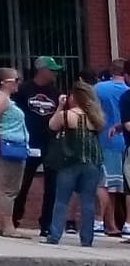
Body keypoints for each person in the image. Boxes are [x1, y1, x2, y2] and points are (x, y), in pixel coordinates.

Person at [44, 72, 105, 247]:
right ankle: (87, 238)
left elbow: (52, 125)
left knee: (62, 199)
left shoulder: (68, 115)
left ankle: (54, 234)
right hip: (93, 162)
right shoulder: (96, 118)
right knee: (88, 201)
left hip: (70, 161)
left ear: (74, 97)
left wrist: (60, 107)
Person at [13, 56, 63, 232]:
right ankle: (14, 218)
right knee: (22, 183)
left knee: (52, 186)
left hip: (50, 143)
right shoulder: (23, 90)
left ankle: (47, 224)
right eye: (52, 70)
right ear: (42, 70)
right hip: (28, 142)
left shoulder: (56, 93)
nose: (55, 73)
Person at [0, 66, 32, 239]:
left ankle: (1, 225)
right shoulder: (0, 97)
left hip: (8, 145)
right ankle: (8, 226)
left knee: (4, 187)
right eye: (16, 80)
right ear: (4, 82)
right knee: (10, 189)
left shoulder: (3, 98)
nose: (19, 82)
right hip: (8, 146)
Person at [93, 59, 127, 237]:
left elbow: (91, 111)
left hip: (104, 139)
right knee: (122, 186)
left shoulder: (98, 89)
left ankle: (103, 222)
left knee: (104, 183)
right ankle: (120, 224)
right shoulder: (127, 91)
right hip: (125, 141)